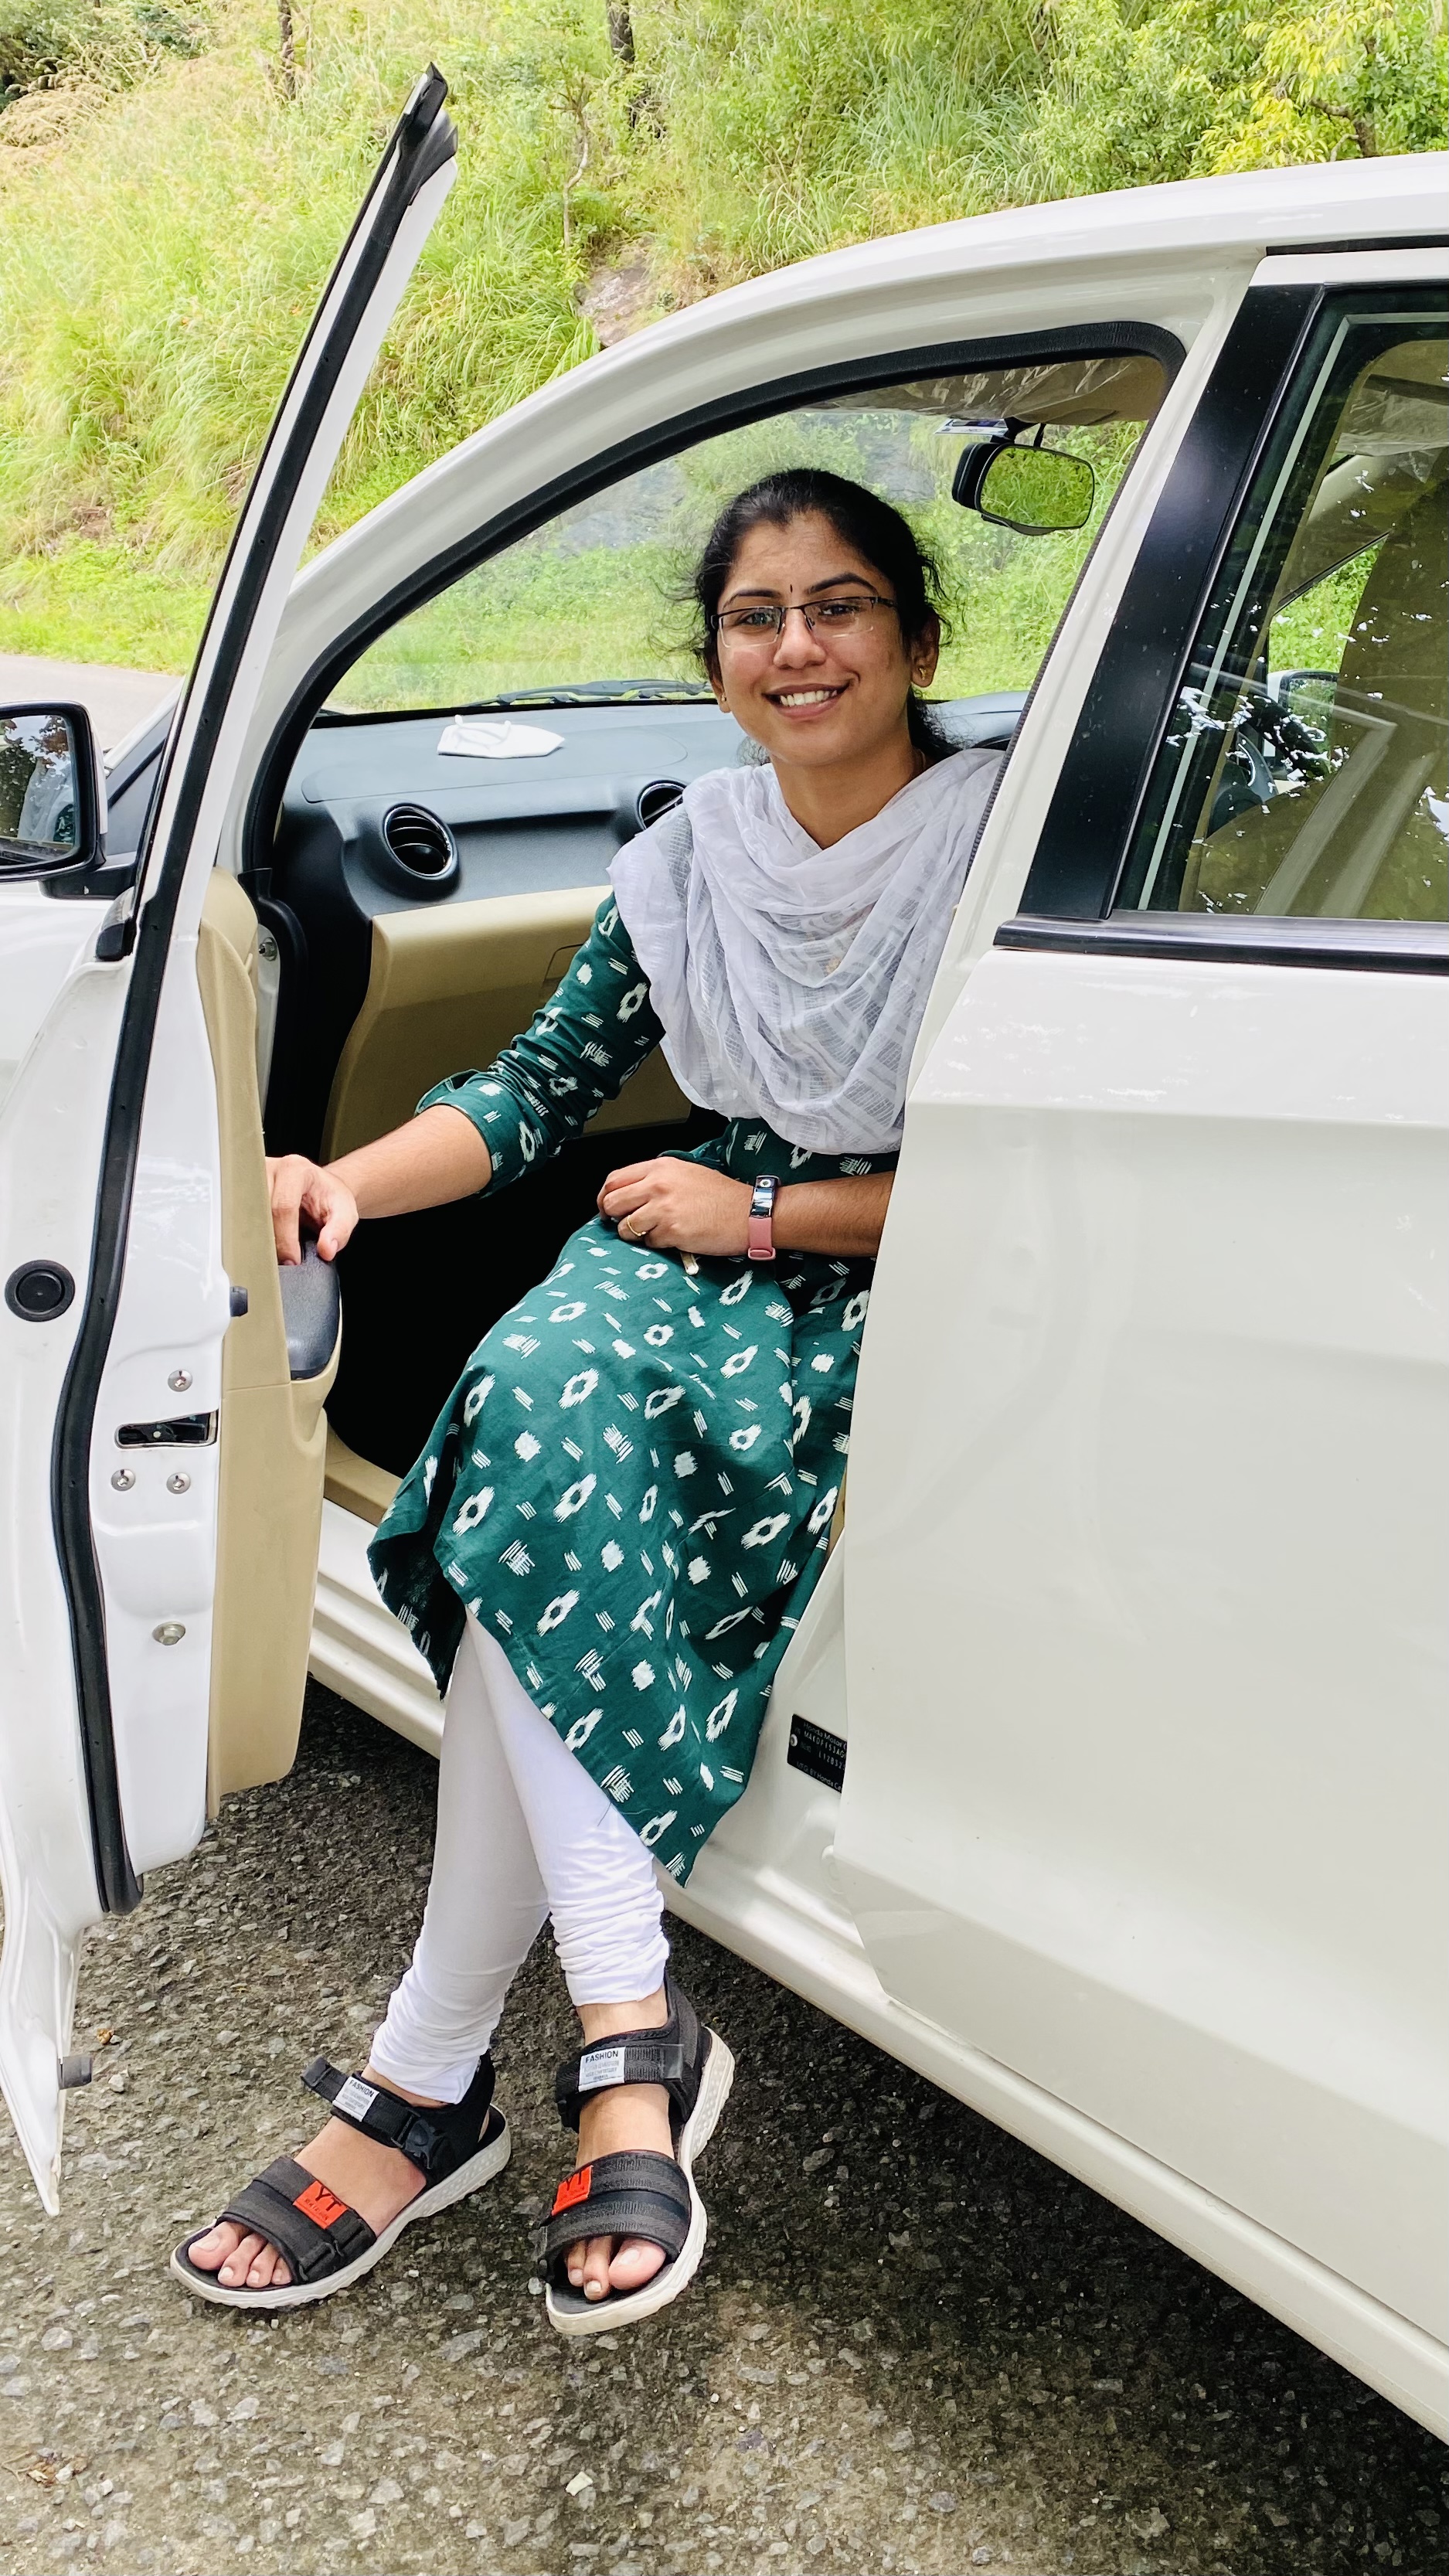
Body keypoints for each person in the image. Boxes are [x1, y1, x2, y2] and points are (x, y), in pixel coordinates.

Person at [171, 468, 1003, 2333]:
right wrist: (335, 1185)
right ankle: (615, 2042)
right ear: (713, 665)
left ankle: (434, 2070)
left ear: (914, 638)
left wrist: (763, 1215)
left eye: (840, 605)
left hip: (894, 1250)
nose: (797, 646)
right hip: (699, 1222)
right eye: (754, 617)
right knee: (532, 1400)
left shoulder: (990, 849)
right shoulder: (695, 855)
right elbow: (535, 1088)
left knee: (528, 1463)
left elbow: (1028, 1156)